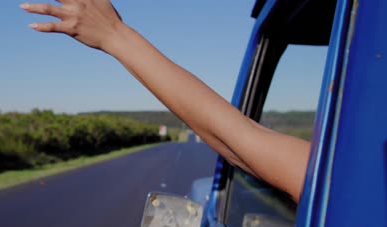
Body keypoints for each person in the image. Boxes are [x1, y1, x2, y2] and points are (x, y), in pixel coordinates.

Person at [20, 0, 310, 202]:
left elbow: (238, 139)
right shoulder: (343, 187)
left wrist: (114, 34)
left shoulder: (336, 183)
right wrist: (112, 33)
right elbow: (239, 142)